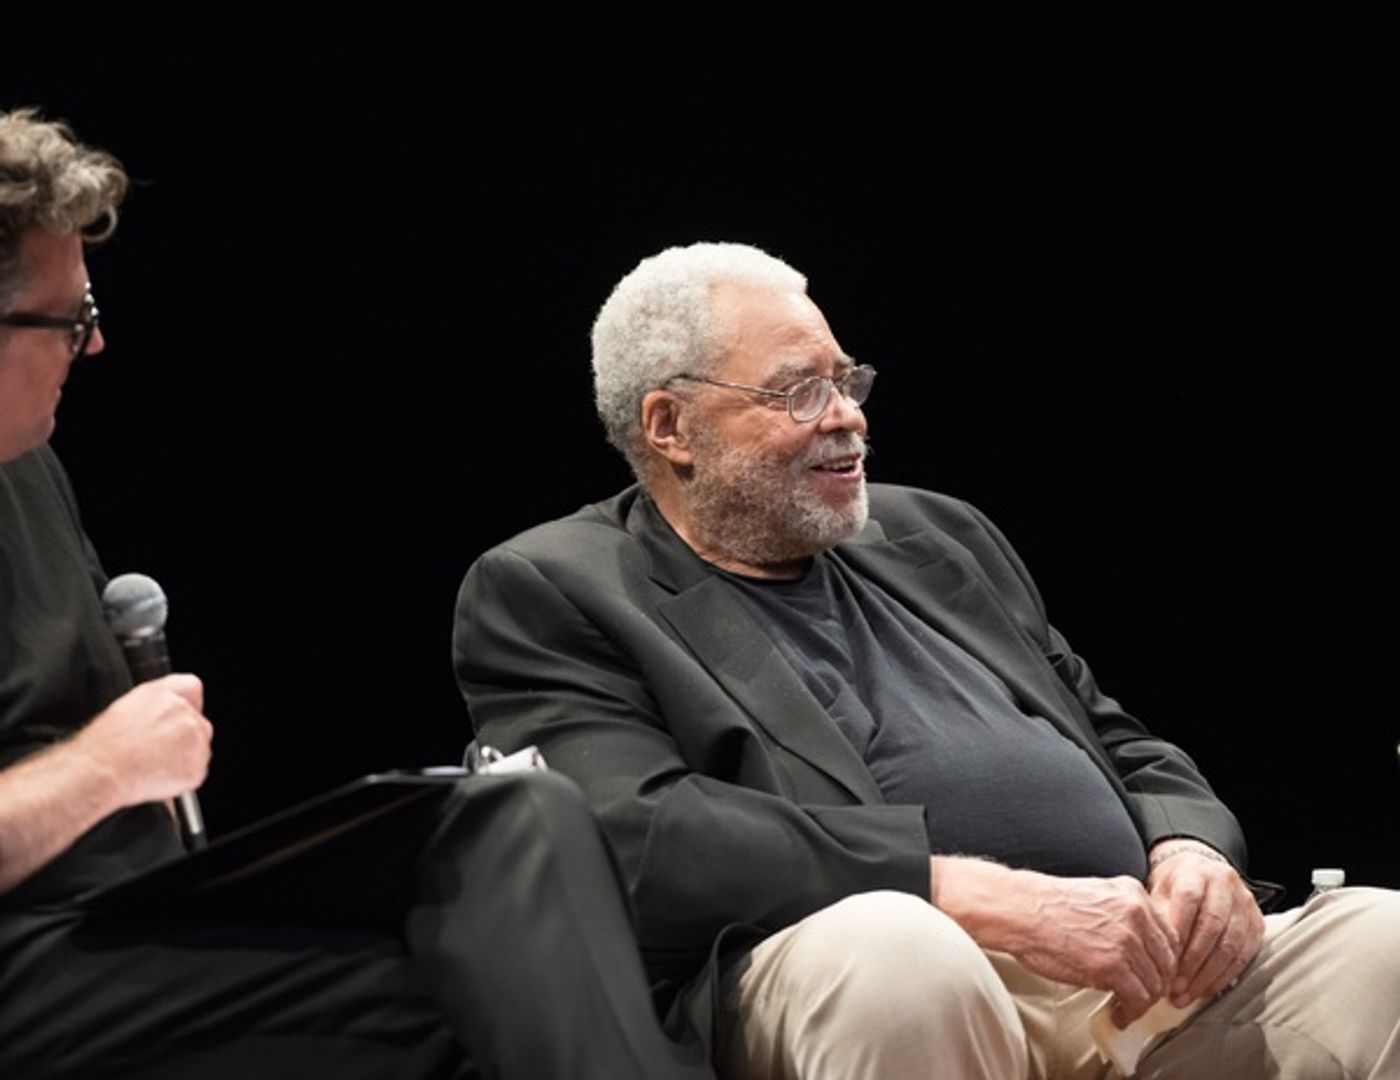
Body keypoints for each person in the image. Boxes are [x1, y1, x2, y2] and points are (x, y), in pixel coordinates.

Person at [453, 240, 1400, 1079]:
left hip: (1132, 981)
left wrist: (1187, 843)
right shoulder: (557, 585)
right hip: (874, 978)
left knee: (1380, 940)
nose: (847, 418)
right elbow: (635, 835)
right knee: (901, 950)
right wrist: (958, 889)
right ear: (670, 427)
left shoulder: (938, 533)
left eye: (845, 380)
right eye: (797, 392)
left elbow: (1113, 735)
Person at [0, 107, 710, 1080]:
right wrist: (105, 770)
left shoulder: (24, 462)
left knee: (516, 822)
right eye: (70, 318)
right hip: (27, 950)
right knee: (477, 992)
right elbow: (96, 766)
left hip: (129, 908)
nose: (95, 345)